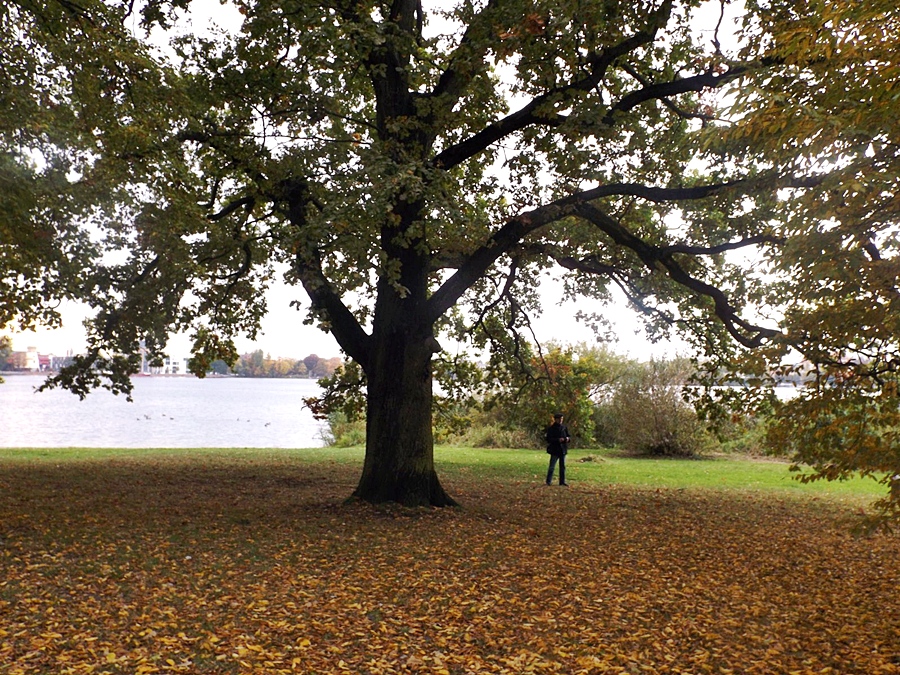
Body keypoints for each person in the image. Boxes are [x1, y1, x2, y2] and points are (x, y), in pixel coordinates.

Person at [545, 412, 570, 486]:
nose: (561, 420)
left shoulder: (564, 428)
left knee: (563, 467)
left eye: (562, 419)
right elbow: (548, 439)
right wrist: (558, 440)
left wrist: (568, 439)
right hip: (555, 450)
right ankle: (548, 481)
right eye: (559, 419)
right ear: (555, 419)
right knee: (552, 466)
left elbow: (569, 436)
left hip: (563, 450)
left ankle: (562, 482)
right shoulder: (551, 429)